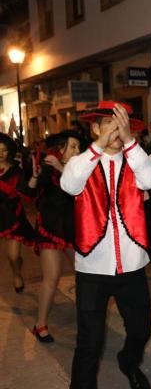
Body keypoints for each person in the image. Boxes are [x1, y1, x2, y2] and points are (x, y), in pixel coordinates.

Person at [61, 101, 151, 389]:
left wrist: (129, 142)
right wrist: (99, 145)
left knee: (141, 329)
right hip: (92, 266)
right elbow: (69, 184)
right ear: (94, 128)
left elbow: (150, 180)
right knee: (90, 341)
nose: (115, 129)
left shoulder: (138, 160)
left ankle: (128, 362)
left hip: (132, 265)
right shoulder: (83, 162)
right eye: (108, 123)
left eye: (121, 124)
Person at [20, 130, 82, 343]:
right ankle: (40, 324)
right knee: (52, 277)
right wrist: (36, 176)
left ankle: (87, 317)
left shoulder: (80, 169)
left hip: (75, 231)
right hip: (50, 229)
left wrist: (60, 167)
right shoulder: (48, 169)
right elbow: (29, 196)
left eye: (78, 147)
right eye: (73, 146)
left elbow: (80, 189)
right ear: (61, 150)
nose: (77, 151)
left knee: (85, 277)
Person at [0, 133, 35, 293]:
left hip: (13, 216)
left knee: (12, 256)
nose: (0, 153)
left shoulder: (15, 171)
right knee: (13, 256)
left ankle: (16, 274)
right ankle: (16, 269)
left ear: (9, 152)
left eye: (4, 150)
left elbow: (24, 191)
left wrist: (34, 177)